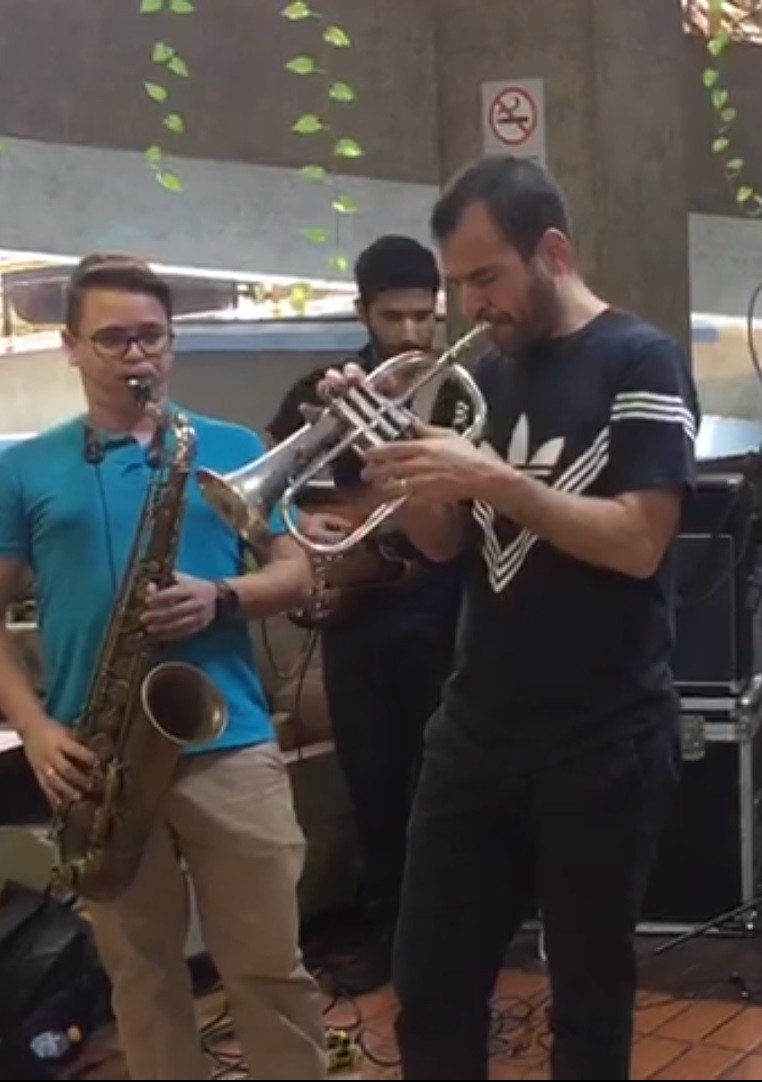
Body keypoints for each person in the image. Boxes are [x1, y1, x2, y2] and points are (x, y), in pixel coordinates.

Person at [322, 155, 700, 1078]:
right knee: (433, 988)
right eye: (459, 284)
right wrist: (393, 454)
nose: (473, 304)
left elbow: (638, 540)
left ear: (554, 252)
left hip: (601, 734)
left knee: (588, 1000)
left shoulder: (639, 360)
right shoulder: (488, 372)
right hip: (476, 727)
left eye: (487, 277)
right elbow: (449, 542)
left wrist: (496, 477)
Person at [0, 254, 329, 1079]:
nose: (136, 356)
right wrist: (35, 730)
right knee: (142, 979)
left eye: (151, 337)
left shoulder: (228, 447)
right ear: (72, 346)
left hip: (231, 742)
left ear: (172, 343)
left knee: (268, 968)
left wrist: (220, 597)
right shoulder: (24, 468)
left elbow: (298, 572)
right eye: (113, 339)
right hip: (95, 758)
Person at [266, 234, 463, 994]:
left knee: (443, 785)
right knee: (372, 782)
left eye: (425, 317)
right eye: (395, 317)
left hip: (445, 607)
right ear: (363, 311)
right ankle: (390, 934)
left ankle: (453, 935)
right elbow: (272, 481)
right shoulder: (326, 388)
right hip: (359, 615)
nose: (412, 335)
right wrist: (300, 530)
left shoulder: (457, 388)